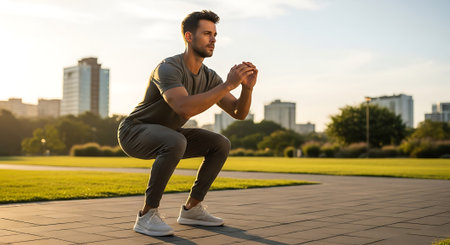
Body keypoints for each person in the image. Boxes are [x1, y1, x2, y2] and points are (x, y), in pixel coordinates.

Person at [118, 10, 258, 237]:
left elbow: (237, 112)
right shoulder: (168, 67)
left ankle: (192, 210)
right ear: (189, 37)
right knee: (176, 140)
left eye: (215, 34)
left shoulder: (209, 76)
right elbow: (184, 107)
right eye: (206, 33)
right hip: (134, 131)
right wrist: (227, 85)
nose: (213, 39)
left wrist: (246, 88)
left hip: (170, 134)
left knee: (220, 143)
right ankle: (147, 215)